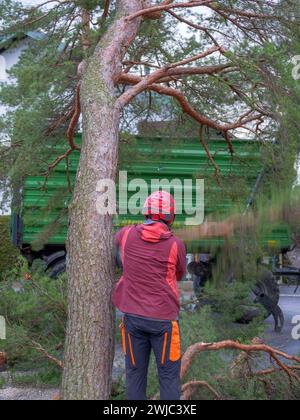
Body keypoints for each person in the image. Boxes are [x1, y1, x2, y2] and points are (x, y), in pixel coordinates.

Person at [113, 191, 186, 400]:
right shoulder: (176, 245)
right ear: (170, 216)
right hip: (164, 323)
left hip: (133, 321)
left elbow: (118, 259)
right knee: (169, 378)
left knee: (135, 376)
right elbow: (179, 274)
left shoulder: (125, 235)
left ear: (146, 211)